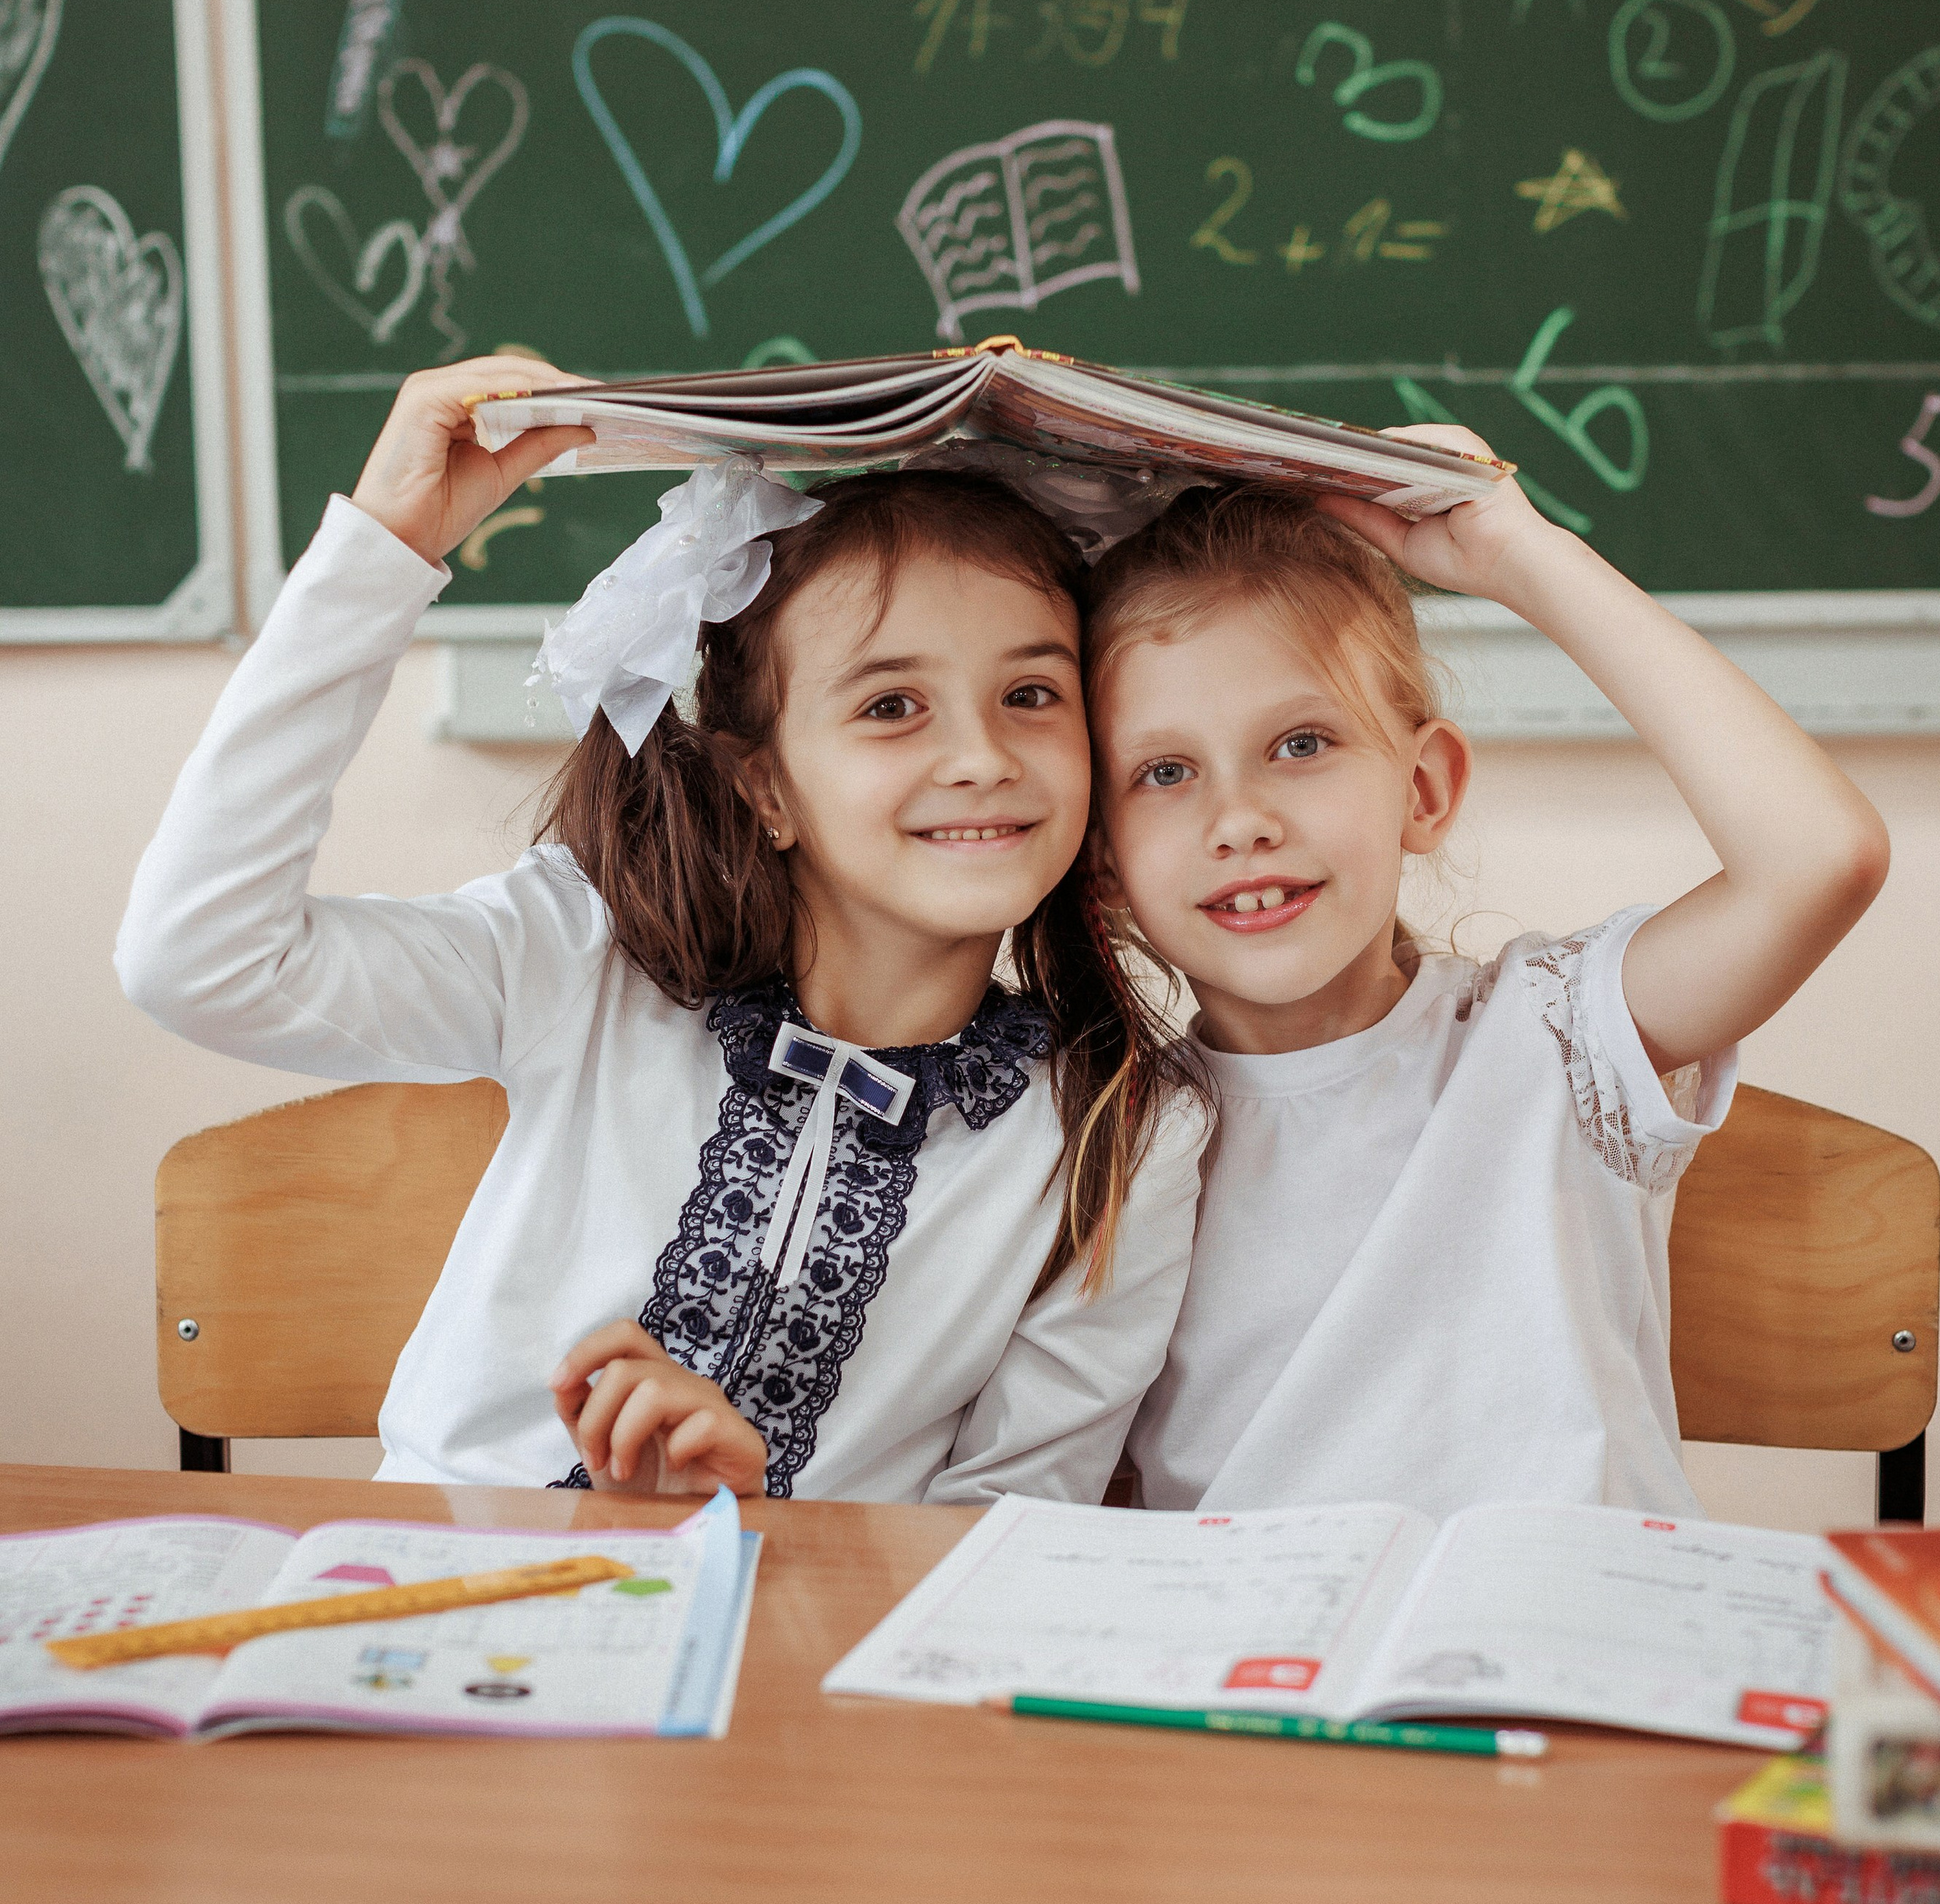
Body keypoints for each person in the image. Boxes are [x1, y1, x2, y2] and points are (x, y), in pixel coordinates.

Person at [118, 356, 1204, 1501]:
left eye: (1031, 695)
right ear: (767, 789)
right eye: (891, 705)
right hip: (431, 1610)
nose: (983, 757)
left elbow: (1005, 1535)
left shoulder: (1123, 1132)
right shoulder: (580, 958)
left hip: (784, 1658)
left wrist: (754, 1522)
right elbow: (201, 957)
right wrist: (386, 546)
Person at [1083, 431, 1889, 1517]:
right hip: (1266, 1669)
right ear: (1104, 859)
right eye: (1165, 771)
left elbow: (1820, 858)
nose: (1241, 821)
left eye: (1303, 743)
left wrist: (1520, 556)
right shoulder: (1105, 1136)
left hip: (1573, 1655)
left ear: (1424, 790)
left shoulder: (1560, 1035)